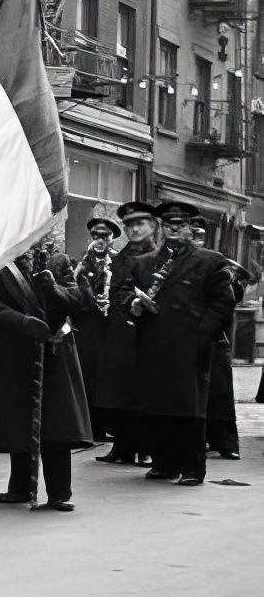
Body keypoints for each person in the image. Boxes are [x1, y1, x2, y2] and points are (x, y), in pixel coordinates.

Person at [122, 201, 235, 486]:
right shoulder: (144, 261)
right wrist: (133, 304)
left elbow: (223, 302)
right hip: (154, 343)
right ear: (161, 227)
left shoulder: (210, 260)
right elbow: (123, 292)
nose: (174, 229)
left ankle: (192, 467)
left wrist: (201, 336)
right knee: (156, 407)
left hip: (191, 345)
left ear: (191, 227)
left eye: (180, 224)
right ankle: (164, 463)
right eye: (169, 224)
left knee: (188, 408)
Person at [0, 245, 93, 511]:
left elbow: (78, 301)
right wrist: (23, 322)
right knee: (19, 423)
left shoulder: (59, 261)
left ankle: (59, 493)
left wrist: (52, 288)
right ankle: (20, 488)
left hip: (54, 353)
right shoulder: (0, 266)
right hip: (15, 355)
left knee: (56, 426)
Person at [94, 202, 158, 467]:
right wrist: (130, 301)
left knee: (146, 392)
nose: (134, 229)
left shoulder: (163, 255)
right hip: (124, 330)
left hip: (152, 331)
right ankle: (122, 447)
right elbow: (117, 289)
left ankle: (146, 448)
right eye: (129, 225)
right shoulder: (120, 258)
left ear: (153, 226)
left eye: (139, 224)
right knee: (120, 392)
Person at [73, 217, 120, 443]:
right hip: (88, 325)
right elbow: (73, 292)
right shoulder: (82, 262)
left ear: (112, 238)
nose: (100, 240)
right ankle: (91, 426)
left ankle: (110, 424)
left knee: (109, 376)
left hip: (111, 326)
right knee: (88, 374)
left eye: (105, 236)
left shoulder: (119, 261)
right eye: (95, 236)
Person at [205, 259, 248, 460]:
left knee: (221, 392)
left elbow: (233, 298)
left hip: (218, 340)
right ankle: (210, 439)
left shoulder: (221, 271)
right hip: (199, 339)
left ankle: (226, 442)